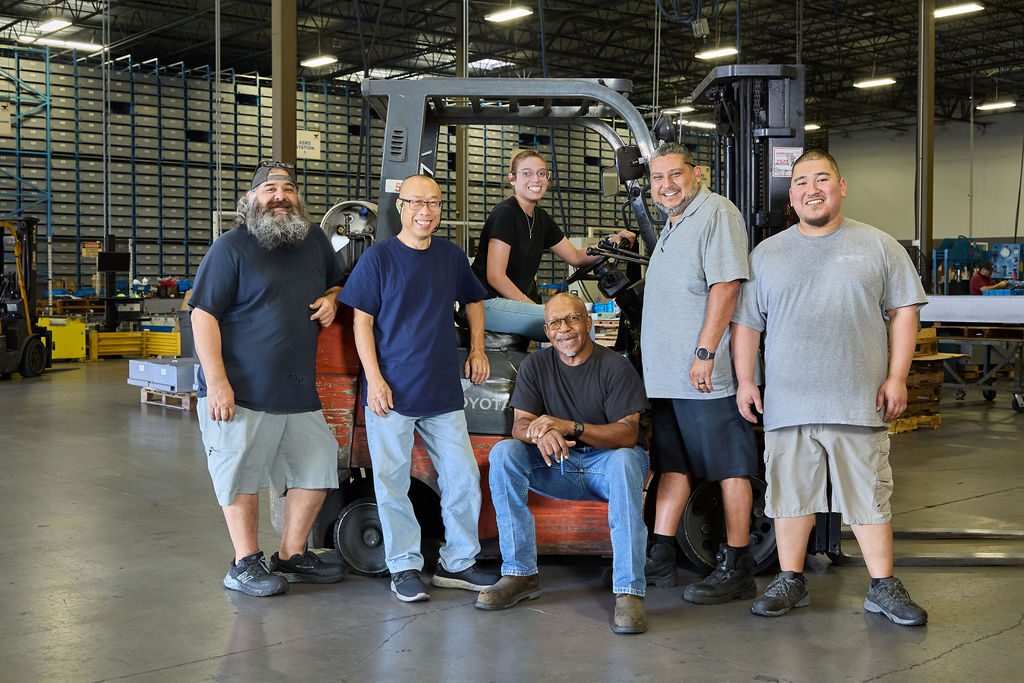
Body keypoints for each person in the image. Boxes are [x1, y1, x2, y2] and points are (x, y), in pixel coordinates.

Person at [732, 150, 929, 626]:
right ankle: (790, 580)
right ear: (791, 196)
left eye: (822, 179)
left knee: (868, 498)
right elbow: (747, 325)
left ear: (842, 186)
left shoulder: (879, 246)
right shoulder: (767, 254)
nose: (811, 189)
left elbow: (905, 310)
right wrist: (744, 380)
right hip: (789, 403)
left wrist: (898, 375)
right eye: (801, 182)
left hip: (857, 402)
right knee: (790, 497)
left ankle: (882, 587)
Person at [339, 174, 498, 602]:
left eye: (433, 203)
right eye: (416, 202)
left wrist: (478, 349)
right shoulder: (379, 259)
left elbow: (475, 301)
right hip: (391, 392)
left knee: (464, 477)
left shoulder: (450, 257)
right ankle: (404, 565)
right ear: (400, 207)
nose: (425, 211)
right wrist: (374, 379)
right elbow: (362, 322)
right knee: (392, 483)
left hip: (442, 391)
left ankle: (458, 562)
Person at [190, 161, 347, 597]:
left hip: (298, 391)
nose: (280, 196)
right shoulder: (231, 248)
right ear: (251, 200)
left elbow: (336, 283)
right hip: (241, 391)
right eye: (270, 189)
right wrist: (217, 381)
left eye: (288, 189)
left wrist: (333, 299)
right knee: (240, 475)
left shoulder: (315, 241)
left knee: (316, 468)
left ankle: (292, 556)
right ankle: (243, 564)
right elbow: (202, 315)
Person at [475, 293, 651, 634]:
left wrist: (570, 426)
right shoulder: (535, 366)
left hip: (606, 467)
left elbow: (628, 434)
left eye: (571, 319)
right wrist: (540, 433)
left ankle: (629, 591)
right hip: (557, 464)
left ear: (587, 323)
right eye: (555, 323)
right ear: (546, 330)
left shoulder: (616, 366)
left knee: (629, 460)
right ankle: (520, 573)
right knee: (504, 453)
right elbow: (520, 425)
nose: (564, 329)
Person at [639, 142, 761, 604]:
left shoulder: (717, 213)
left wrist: (706, 351)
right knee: (674, 465)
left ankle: (738, 563)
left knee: (730, 466)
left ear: (698, 173)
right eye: (658, 178)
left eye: (675, 174)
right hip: (668, 378)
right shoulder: (672, 224)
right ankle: (662, 554)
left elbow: (727, 285)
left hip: (702, 373)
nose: (666, 185)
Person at [471, 150, 636, 340]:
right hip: (486, 304)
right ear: (512, 179)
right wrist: (531, 306)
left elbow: (575, 256)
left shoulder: (541, 218)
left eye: (542, 173)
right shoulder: (505, 214)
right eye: (527, 173)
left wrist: (611, 243)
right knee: (576, 325)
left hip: (508, 304)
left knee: (580, 319)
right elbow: (495, 276)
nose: (536, 179)